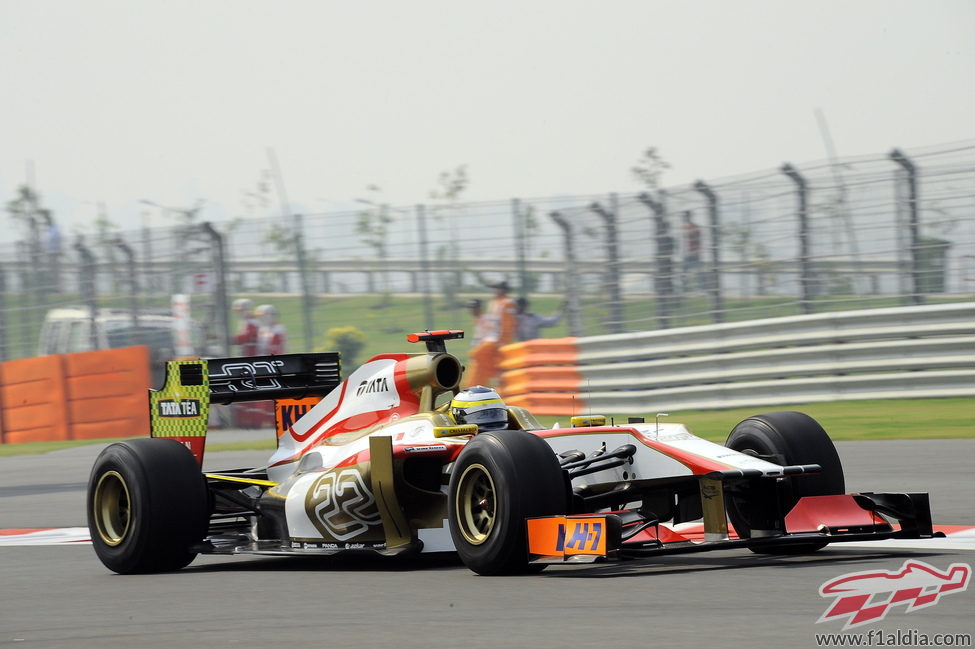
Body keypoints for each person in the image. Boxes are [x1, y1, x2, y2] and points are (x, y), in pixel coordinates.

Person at [465, 281, 517, 387]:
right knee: (487, 368)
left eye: (497, 288)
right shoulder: (494, 303)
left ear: (503, 290)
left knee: (497, 369)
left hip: (498, 341)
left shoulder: (508, 303)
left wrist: (503, 342)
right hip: (491, 340)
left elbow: (508, 324)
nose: (494, 291)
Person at [681, 211, 702, 291]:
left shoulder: (695, 227)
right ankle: (685, 288)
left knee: (697, 271)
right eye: (684, 216)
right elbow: (685, 235)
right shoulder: (685, 227)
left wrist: (690, 232)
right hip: (686, 253)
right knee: (684, 271)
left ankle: (699, 289)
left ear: (690, 217)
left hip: (695, 252)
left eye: (686, 216)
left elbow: (695, 235)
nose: (685, 218)